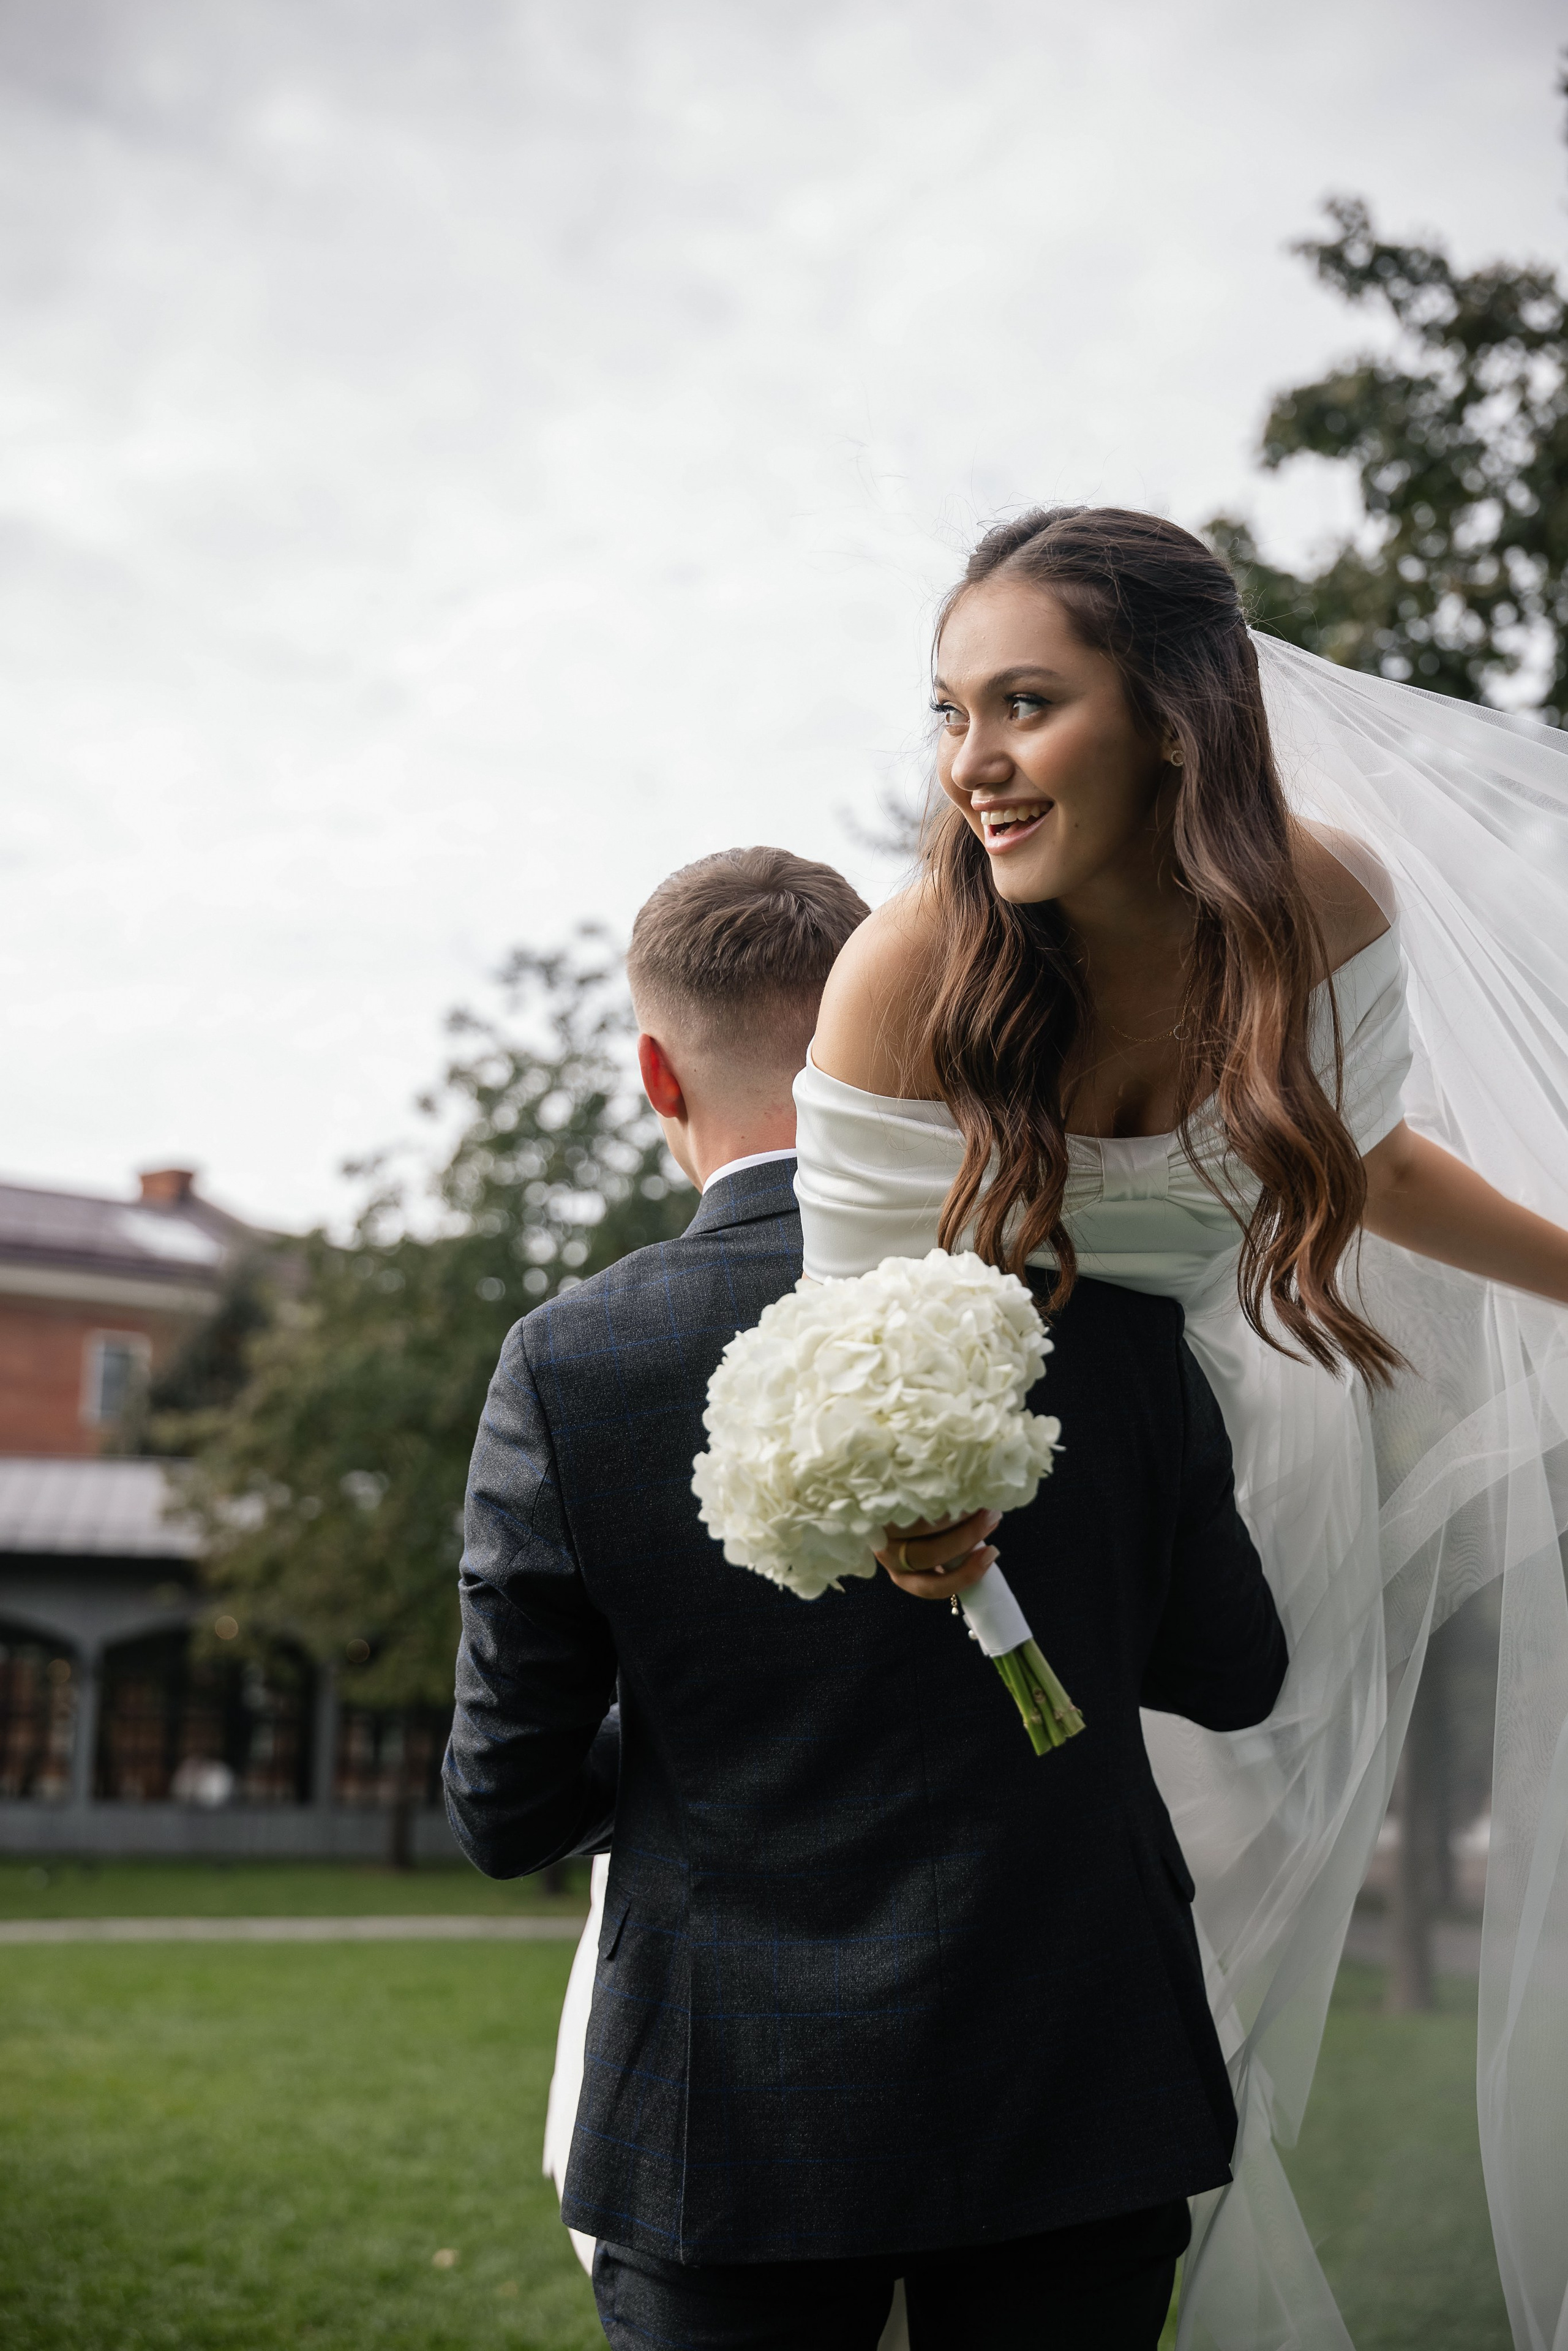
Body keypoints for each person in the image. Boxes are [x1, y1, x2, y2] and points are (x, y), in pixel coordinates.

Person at [793, 506, 1568, 2348]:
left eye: (1026, 705)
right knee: (976, 1980)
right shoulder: (912, 970)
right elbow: (838, 1338)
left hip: (1229, 1489)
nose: (972, 764)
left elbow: (1365, 1160)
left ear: (1171, 716)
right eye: (951, 712)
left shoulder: (1329, 906)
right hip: (974, 1501)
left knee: (1196, 1994)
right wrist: (912, 1507)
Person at [443, 838, 1289, 2350]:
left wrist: (706, 1742)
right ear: (908, 1011)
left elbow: (503, 1806)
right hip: (1079, 2075)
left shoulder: (573, 1365)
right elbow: (1236, 1673)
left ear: (655, 1069)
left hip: (730, 2119)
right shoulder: (1105, 1318)